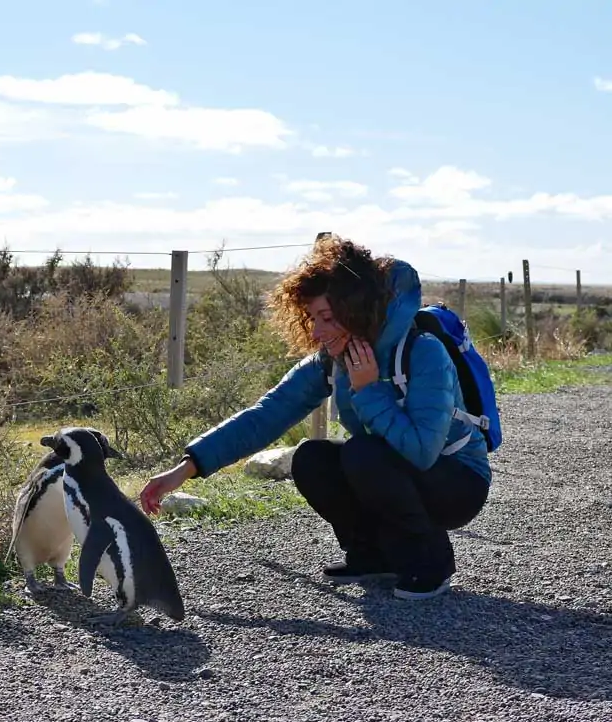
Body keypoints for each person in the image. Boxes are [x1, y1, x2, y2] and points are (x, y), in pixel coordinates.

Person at [139, 236, 492, 600]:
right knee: (312, 458)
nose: (317, 331)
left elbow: (421, 452)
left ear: (356, 310)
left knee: (363, 453)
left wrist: (369, 390)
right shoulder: (333, 359)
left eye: (326, 317)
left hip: (457, 482)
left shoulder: (423, 352)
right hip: (396, 469)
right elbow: (266, 416)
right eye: (312, 318)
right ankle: (372, 556)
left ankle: (431, 563)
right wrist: (186, 468)